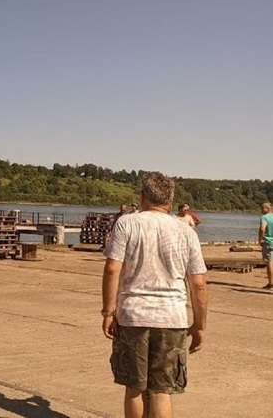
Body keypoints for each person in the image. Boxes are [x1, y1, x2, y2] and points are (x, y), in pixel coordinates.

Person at [101, 172, 208, 418]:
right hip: (172, 318)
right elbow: (199, 285)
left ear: (142, 197)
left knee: (134, 387)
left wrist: (108, 312)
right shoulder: (186, 232)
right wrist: (199, 326)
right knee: (162, 391)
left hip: (132, 316)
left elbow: (111, 269)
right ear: (170, 202)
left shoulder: (127, 223)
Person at [258, 202, 273, 289]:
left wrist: (260, 239)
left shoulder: (264, 217)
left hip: (268, 242)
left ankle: (271, 283)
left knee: (269, 263)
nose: (261, 209)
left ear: (267, 209)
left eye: (263, 208)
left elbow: (262, 228)